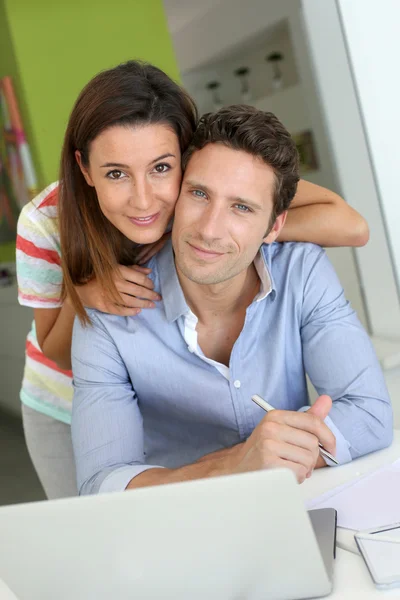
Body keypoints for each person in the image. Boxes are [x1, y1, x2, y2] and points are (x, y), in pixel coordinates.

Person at [16, 61, 368, 500]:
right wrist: (84, 294)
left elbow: (352, 226)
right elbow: (54, 349)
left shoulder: (205, 190)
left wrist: (239, 235)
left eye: (161, 168)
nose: (143, 198)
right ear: (85, 169)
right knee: (92, 526)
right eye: (115, 173)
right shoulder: (45, 222)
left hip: (156, 393)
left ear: (186, 157)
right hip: (61, 400)